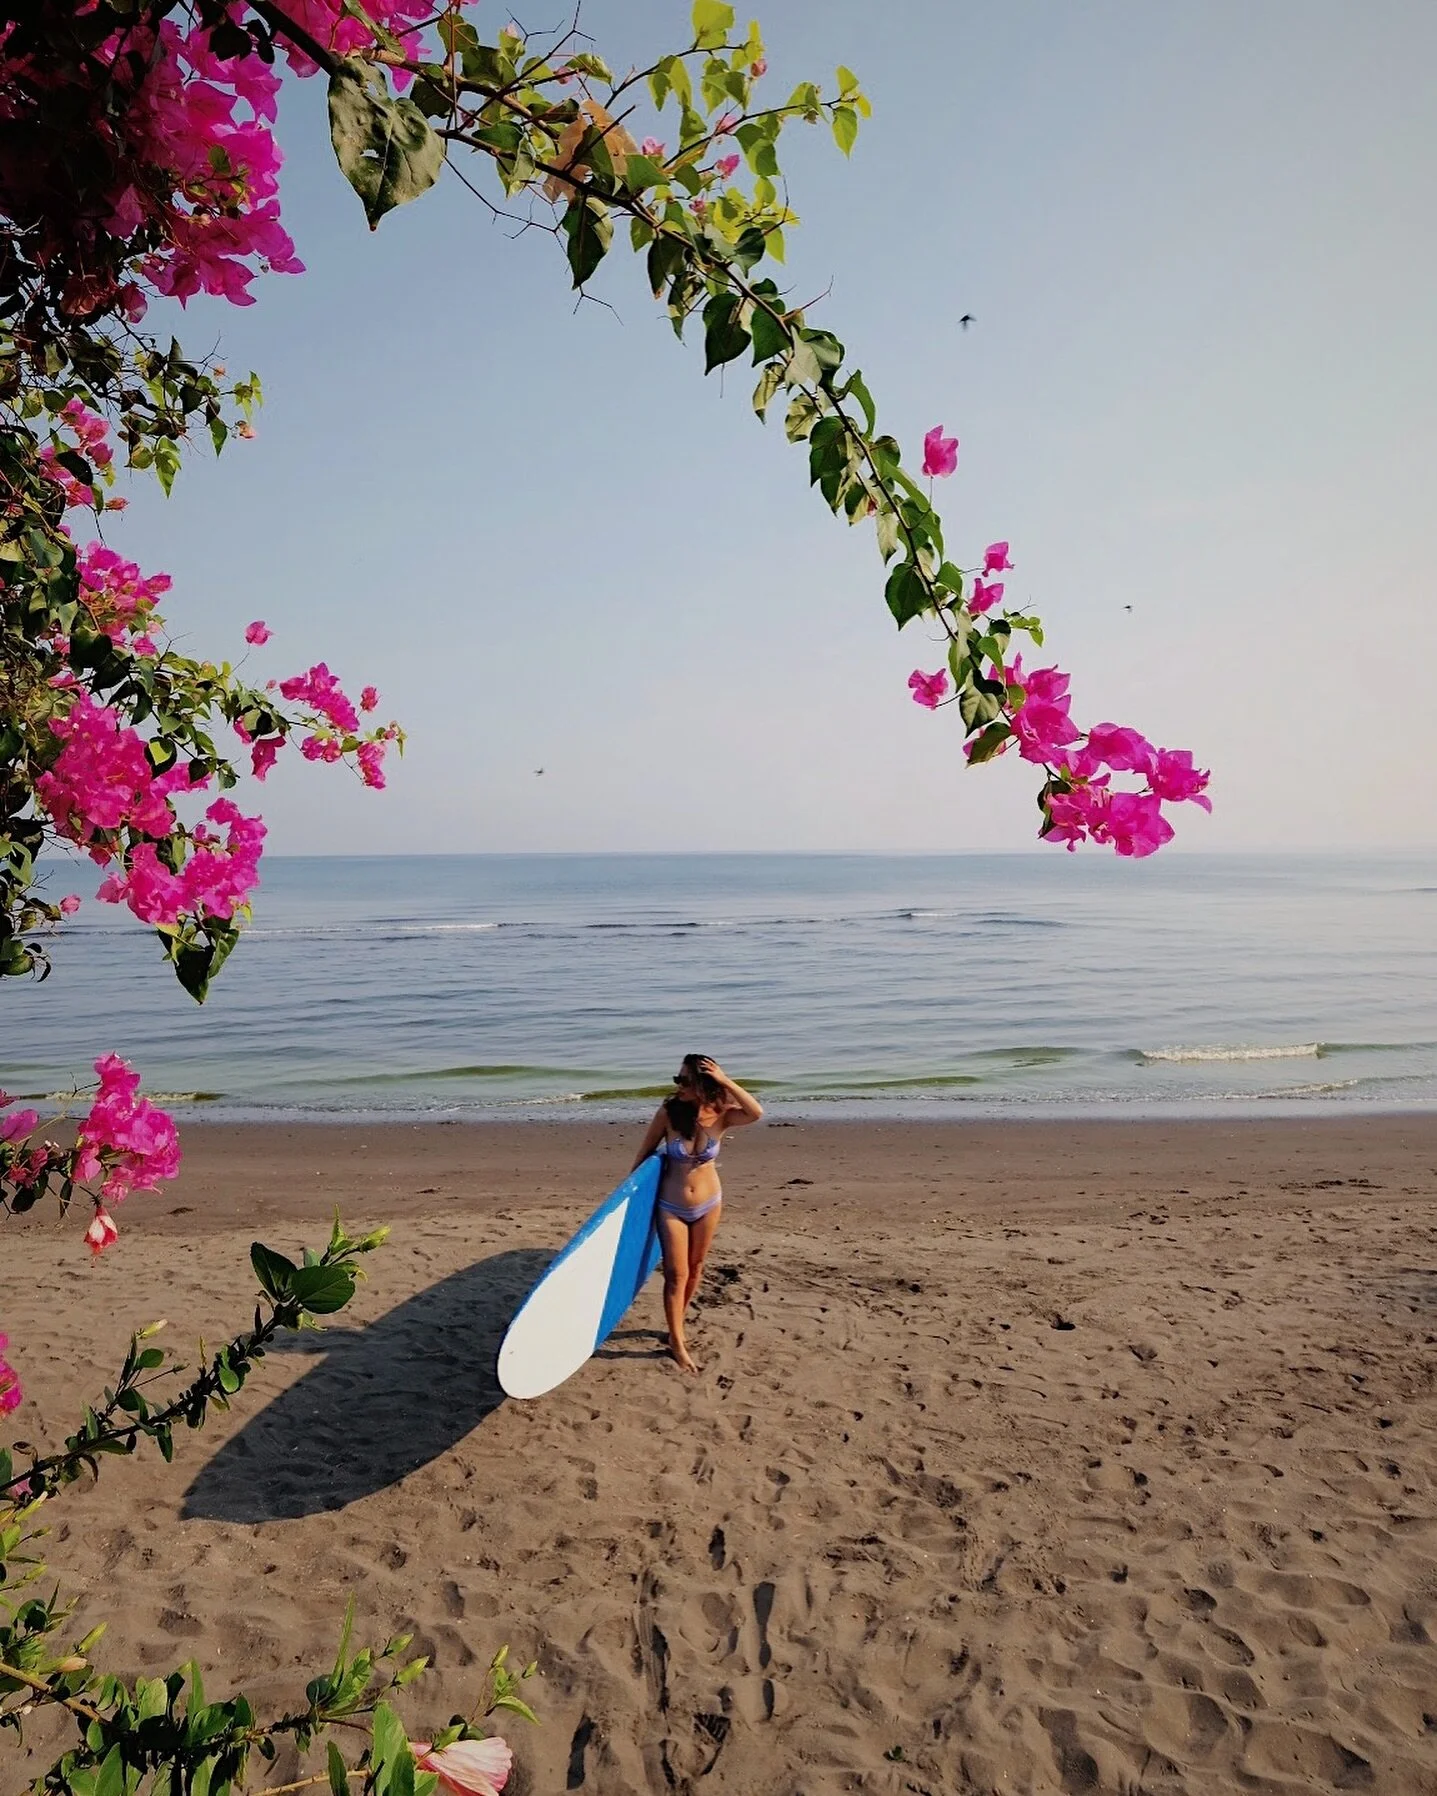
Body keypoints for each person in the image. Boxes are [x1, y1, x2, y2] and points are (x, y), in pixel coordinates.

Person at [630, 1055, 763, 1373]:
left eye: (685, 1081)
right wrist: (629, 1200)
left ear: (705, 1085)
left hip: (709, 1204)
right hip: (671, 1207)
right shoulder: (668, 1113)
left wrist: (727, 1080)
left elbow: (756, 1113)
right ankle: (676, 1341)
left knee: (696, 1267)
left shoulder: (722, 1115)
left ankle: (676, 1324)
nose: (678, 1086)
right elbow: (645, 1152)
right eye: (677, 1079)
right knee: (676, 1275)